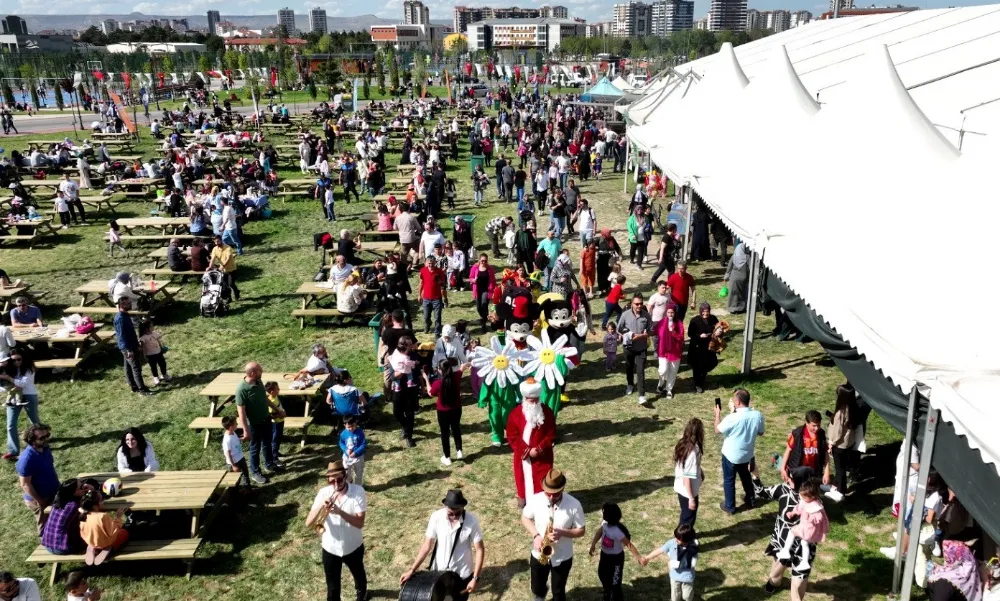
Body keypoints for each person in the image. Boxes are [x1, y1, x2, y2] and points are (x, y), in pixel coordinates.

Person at [400, 489, 484, 600]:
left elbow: (480, 549)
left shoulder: (472, 520)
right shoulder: (436, 517)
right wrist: (412, 570)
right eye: (450, 513)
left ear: (463, 507)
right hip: (439, 574)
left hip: (462, 575)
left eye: (457, 513)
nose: (454, 516)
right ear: (445, 506)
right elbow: (427, 545)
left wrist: (475, 578)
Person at [305, 460, 369, 601]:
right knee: (332, 588)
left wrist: (340, 512)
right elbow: (308, 522)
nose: (335, 485)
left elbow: (359, 523)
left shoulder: (358, 492)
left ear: (345, 476)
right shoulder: (323, 493)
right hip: (330, 548)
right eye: (331, 482)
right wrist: (321, 505)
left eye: (339, 480)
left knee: (358, 575)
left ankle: (362, 593)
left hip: (353, 545)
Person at [521, 468, 586, 601]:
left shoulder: (574, 504)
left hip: (562, 556)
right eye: (548, 493)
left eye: (555, 494)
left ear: (562, 489)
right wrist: (536, 535)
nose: (551, 497)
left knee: (558, 592)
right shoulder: (536, 499)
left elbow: (581, 530)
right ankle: (541, 594)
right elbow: (525, 518)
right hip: (539, 554)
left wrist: (562, 533)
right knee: (536, 588)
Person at [757, 466, 818, 599]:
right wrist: (755, 475)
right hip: (782, 542)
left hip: (803, 549)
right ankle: (775, 582)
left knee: (798, 585)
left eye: (792, 479)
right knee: (775, 573)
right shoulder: (784, 489)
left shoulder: (814, 502)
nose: (787, 480)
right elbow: (761, 492)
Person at [506, 379, 556, 508]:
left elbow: (550, 434)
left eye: (536, 400)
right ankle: (524, 498)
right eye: (530, 400)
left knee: (542, 478)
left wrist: (538, 450)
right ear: (525, 399)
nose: (533, 403)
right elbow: (512, 435)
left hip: (542, 456)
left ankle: (543, 499)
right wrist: (527, 450)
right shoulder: (516, 414)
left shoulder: (547, 412)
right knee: (522, 477)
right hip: (523, 456)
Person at [715, 388, 765, 515]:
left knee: (729, 480)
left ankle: (730, 506)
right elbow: (761, 432)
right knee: (746, 476)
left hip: (730, 455)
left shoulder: (732, 418)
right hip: (746, 454)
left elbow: (717, 430)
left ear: (737, 402)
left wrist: (717, 414)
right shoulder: (757, 415)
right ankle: (751, 499)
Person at [236, 361, 285, 484]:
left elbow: (264, 398)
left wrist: (277, 409)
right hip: (254, 425)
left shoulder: (259, 382)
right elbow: (241, 412)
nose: (262, 371)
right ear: (252, 373)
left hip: (266, 419)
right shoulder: (242, 390)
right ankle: (255, 472)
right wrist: (245, 430)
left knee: (267, 444)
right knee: (255, 449)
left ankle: (269, 464)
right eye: (259, 370)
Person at [588, 503, 644, 601]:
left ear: (607, 516)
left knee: (615, 582)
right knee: (602, 574)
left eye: (603, 512)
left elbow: (629, 545)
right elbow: (599, 532)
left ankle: (616, 596)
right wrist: (593, 544)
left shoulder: (617, 532)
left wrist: (639, 557)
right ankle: (607, 590)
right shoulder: (605, 524)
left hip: (616, 559)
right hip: (604, 556)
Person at [16, 423, 58, 535]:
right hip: (38, 499)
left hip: (53, 492)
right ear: (32, 440)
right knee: (45, 528)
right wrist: (40, 501)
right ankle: (44, 545)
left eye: (47, 435)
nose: (46, 439)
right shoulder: (26, 460)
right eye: (42, 438)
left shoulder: (45, 448)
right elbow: (25, 484)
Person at [776, 479, 829, 563]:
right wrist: (793, 512)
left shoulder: (815, 506)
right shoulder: (807, 501)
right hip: (809, 529)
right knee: (804, 543)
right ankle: (804, 562)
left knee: (792, 532)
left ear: (812, 496)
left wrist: (811, 518)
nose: (802, 499)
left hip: (808, 529)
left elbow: (819, 517)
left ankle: (786, 551)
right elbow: (800, 507)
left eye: (804, 497)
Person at [642, 523, 699, 601]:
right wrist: (647, 557)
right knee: (675, 596)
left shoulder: (692, 548)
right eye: (676, 537)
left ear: (687, 539)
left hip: (687, 576)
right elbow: (660, 550)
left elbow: (693, 561)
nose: (676, 539)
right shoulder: (672, 543)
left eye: (679, 538)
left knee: (687, 597)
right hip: (674, 575)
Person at [2, 351, 40, 461]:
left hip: (29, 395)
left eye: (19, 359)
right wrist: (9, 387)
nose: (16, 362)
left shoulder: (29, 369)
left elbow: (23, 383)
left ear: (24, 359)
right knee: (10, 424)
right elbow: (2, 387)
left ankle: (40, 442)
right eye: (13, 360)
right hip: (14, 398)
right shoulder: (8, 370)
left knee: (34, 421)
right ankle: (13, 451)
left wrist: (9, 378)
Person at [426, 358, 464, 466]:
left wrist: (426, 379)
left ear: (440, 370)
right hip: (456, 409)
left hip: (443, 412)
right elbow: (461, 369)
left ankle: (447, 457)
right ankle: (459, 450)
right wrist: (467, 364)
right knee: (456, 428)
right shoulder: (456, 377)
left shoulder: (438, 383)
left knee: (445, 433)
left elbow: (430, 393)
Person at [617, 293, 653, 406]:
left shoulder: (646, 316)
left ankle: (641, 395)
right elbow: (619, 329)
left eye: (641, 304)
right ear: (632, 304)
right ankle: (630, 384)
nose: (639, 306)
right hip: (628, 347)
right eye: (636, 304)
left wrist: (642, 336)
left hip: (641, 348)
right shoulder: (625, 315)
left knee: (640, 370)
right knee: (629, 367)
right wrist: (628, 334)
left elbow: (651, 331)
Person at [780, 411, 831, 487]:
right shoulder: (797, 434)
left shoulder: (821, 434)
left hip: (814, 471)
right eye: (813, 426)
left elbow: (825, 453)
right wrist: (782, 469)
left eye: (818, 425)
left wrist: (827, 472)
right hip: (798, 470)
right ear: (807, 423)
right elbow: (788, 450)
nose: (816, 428)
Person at [79, 489, 129, 565]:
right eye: (102, 500)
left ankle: (93, 548)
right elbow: (114, 530)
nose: (104, 501)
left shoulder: (83, 516)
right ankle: (109, 549)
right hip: (106, 542)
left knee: (94, 538)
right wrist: (118, 517)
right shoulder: (102, 516)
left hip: (91, 540)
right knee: (124, 533)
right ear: (95, 506)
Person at [114, 297, 151, 396]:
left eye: (130, 302)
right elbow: (122, 336)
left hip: (130, 345)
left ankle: (133, 387)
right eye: (128, 303)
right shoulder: (121, 319)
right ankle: (142, 390)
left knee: (128, 368)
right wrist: (129, 350)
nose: (130, 305)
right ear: (121, 305)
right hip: (127, 348)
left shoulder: (125, 315)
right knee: (136, 368)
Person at [41, 479, 87, 555]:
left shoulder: (58, 501)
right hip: (62, 548)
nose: (84, 487)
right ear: (74, 492)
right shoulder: (74, 506)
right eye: (81, 487)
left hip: (48, 544)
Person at [673, 418, 705, 527]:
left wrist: (699, 471)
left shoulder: (683, 444)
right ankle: (684, 541)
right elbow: (687, 477)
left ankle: (682, 536)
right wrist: (691, 498)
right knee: (688, 518)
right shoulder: (693, 452)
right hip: (688, 492)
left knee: (685, 515)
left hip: (681, 488)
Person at [826, 386, 856, 493]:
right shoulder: (853, 407)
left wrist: (831, 443)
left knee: (840, 469)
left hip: (840, 445)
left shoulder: (840, 413)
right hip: (849, 443)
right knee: (843, 466)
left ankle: (841, 490)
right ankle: (841, 486)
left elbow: (837, 432)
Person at [687, 303, 721, 394]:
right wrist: (699, 336)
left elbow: (719, 328)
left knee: (712, 363)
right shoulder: (695, 320)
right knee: (697, 367)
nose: (705, 314)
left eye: (707, 311)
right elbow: (690, 334)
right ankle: (698, 384)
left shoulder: (713, 319)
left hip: (709, 346)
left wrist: (719, 332)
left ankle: (702, 378)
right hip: (697, 347)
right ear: (700, 311)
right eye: (703, 311)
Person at [656, 304, 685, 399]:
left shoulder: (679, 323)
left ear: (675, 313)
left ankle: (669, 389)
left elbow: (681, 337)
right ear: (666, 313)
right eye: (668, 312)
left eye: (672, 312)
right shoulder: (662, 322)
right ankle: (661, 383)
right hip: (663, 350)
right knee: (662, 370)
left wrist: (673, 332)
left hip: (675, 351)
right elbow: (655, 331)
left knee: (673, 372)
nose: (670, 314)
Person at [419, 256, 447, 336]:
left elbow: (443, 284)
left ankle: (437, 333)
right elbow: (421, 283)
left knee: (437, 317)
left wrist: (439, 281)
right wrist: (419, 294)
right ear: (427, 263)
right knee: (426, 316)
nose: (431, 265)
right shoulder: (423, 271)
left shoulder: (439, 271)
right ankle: (428, 324)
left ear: (435, 263)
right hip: (426, 298)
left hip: (437, 298)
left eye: (433, 263)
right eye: (429, 263)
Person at [221, 415, 251, 490]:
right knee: (235, 479)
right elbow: (228, 453)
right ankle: (235, 493)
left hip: (240, 458)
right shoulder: (227, 439)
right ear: (231, 426)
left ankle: (247, 490)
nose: (237, 424)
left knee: (245, 474)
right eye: (236, 423)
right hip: (234, 462)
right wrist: (233, 465)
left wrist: (242, 439)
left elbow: (235, 441)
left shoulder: (233, 433)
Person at [208, 234, 241, 302]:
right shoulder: (215, 249)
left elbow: (228, 259)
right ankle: (229, 298)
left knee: (231, 284)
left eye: (218, 241)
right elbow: (212, 259)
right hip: (223, 271)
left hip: (232, 269)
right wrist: (209, 267)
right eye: (215, 242)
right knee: (225, 286)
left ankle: (236, 292)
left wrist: (222, 266)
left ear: (221, 240)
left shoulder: (228, 248)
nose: (217, 243)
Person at [469, 254, 497, 332]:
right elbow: (470, 277)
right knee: (478, 307)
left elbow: (493, 280)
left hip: (486, 290)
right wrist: (473, 280)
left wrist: (493, 290)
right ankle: (484, 317)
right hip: (477, 290)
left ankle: (483, 323)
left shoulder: (490, 269)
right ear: (479, 260)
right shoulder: (475, 268)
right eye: (482, 261)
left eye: (485, 261)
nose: (483, 262)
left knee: (484, 304)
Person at [138, 320, 169, 386]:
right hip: (150, 355)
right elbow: (143, 348)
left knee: (163, 364)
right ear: (147, 329)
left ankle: (164, 374)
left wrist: (162, 348)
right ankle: (156, 377)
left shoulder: (155, 334)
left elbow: (159, 341)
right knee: (153, 367)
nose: (153, 328)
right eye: (151, 327)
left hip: (159, 352)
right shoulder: (143, 338)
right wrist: (144, 356)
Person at [723, 243, 751, 313]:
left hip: (734, 278)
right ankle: (741, 308)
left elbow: (729, 268)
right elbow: (751, 268)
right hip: (743, 278)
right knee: (741, 293)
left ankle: (732, 308)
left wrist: (726, 277)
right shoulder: (747, 257)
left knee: (733, 293)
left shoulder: (733, 257)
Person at [339, 417, 367, 485]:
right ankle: (349, 485)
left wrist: (355, 452)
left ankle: (358, 487)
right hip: (347, 457)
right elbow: (341, 443)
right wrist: (346, 450)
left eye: (353, 426)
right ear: (344, 425)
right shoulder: (343, 434)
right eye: (349, 427)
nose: (351, 428)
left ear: (356, 424)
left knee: (359, 473)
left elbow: (363, 444)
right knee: (346, 472)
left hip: (358, 458)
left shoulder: (360, 432)